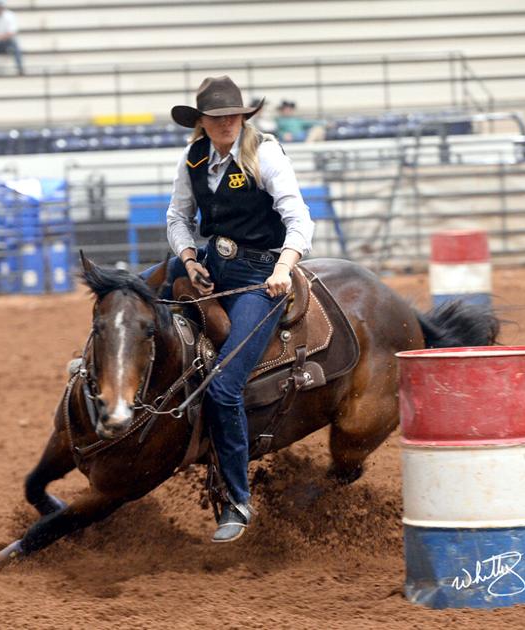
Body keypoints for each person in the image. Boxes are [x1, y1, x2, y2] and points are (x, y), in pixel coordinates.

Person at [160, 76, 314, 543]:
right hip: (211, 265)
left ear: (243, 119)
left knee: (225, 386)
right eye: (216, 117)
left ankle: (236, 502)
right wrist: (188, 259)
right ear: (202, 122)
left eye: (233, 116)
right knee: (137, 304)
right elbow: (177, 217)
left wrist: (284, 268)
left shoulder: (265, 154)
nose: (226, 123)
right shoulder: (194, 160)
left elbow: (298, 218)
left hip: (259, 277)